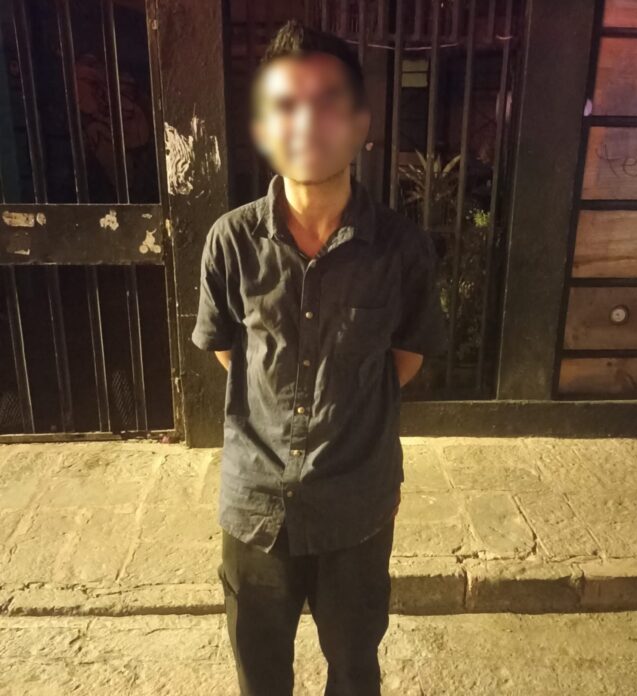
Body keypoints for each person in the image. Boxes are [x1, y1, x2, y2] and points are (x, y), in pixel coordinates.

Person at [191, 18, 447, 696]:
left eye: (328, 101)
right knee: (260, 677)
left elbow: (406, 357)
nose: (306, 121)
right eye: (285, 104)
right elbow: (228, 350)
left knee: (355, 672)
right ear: (264, 127)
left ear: (360, 123)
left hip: (356, 506)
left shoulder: (402, 248)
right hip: (255, 506)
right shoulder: (230, 243)